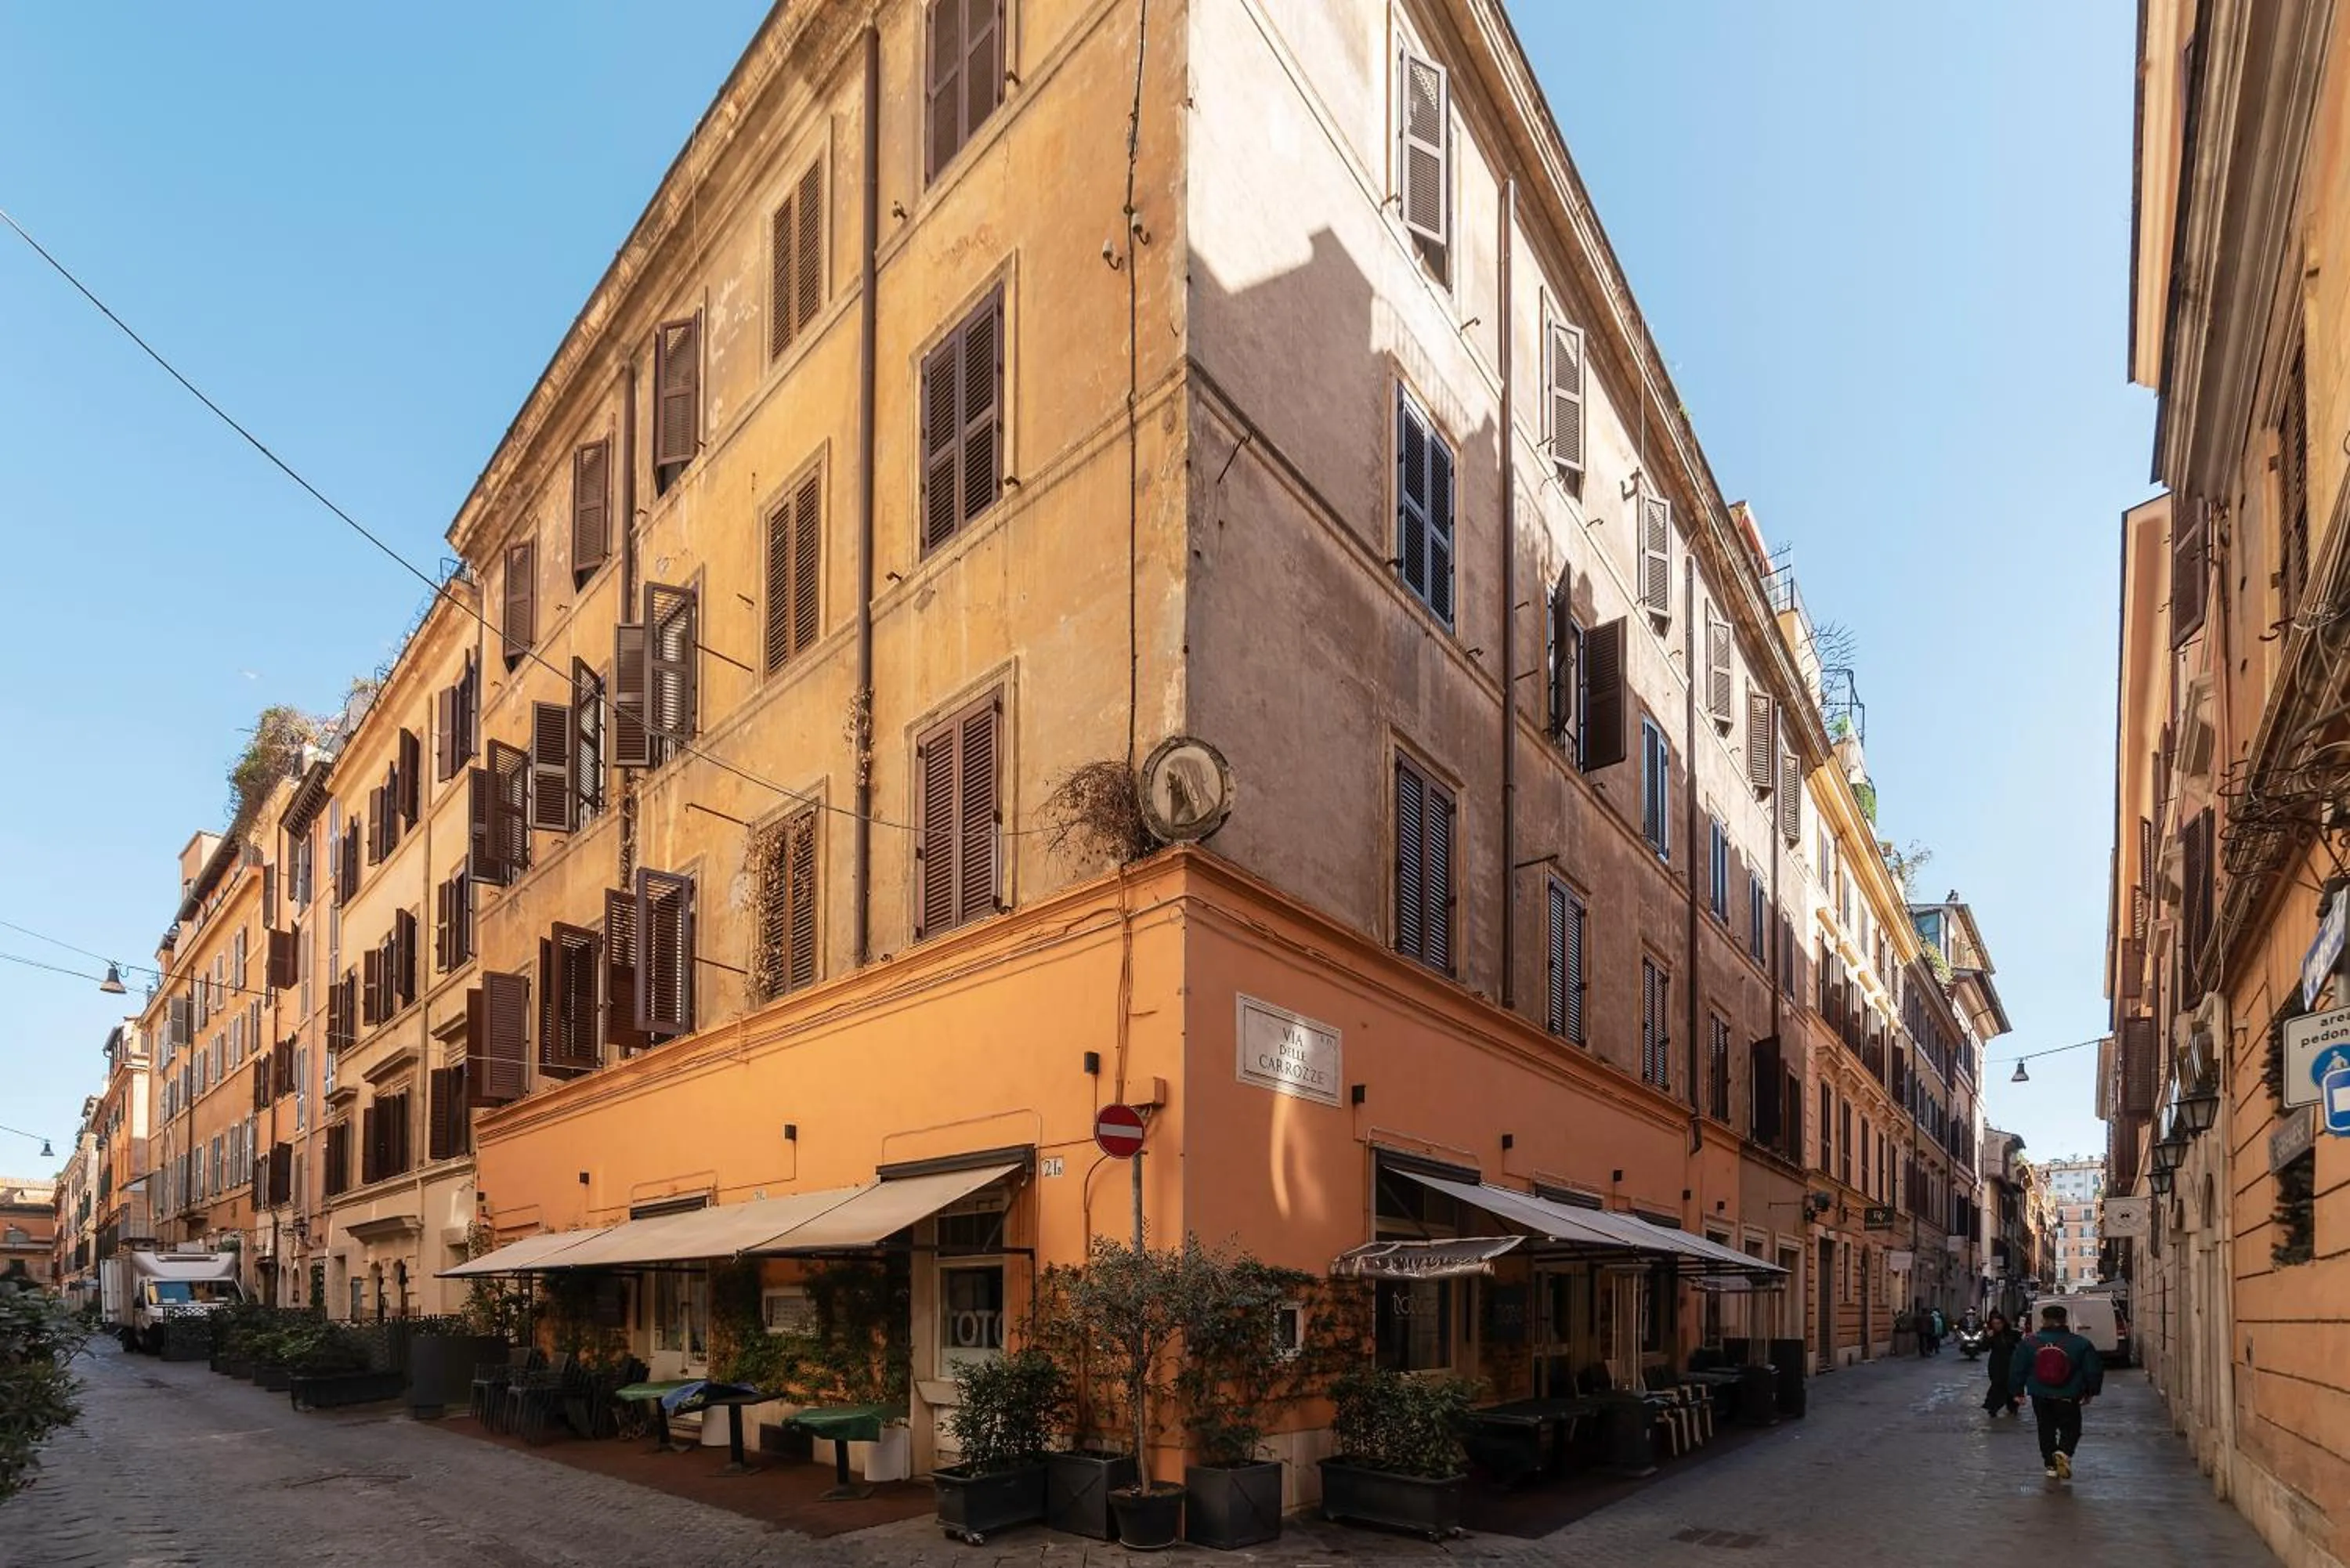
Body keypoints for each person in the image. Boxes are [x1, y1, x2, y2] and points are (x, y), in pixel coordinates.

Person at [2010, 1302, 2104, 1480]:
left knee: (2045, 1428)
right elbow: (2093, 1370)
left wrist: (2017, 1392)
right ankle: (2064, 1452)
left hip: (2039, 1393)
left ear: (2043, 1320)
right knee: (2071, 1428)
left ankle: (2050, 1465)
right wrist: (2091, 1391)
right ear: (2065, 1320)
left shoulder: (2029, 1343)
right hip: (2068, 1393)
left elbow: (2017, 1369)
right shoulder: (2080, 1343)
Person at [1979, 1311, 2023, 1417]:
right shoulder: (1991, 1335)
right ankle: (1993, 1407)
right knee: (1997, 1385)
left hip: (2011, 1363)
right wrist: (1987, 1338)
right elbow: (1984, 1348)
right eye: (1994, 1324)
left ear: (2003, 1323)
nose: (1997, 1326)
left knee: (2012, 1385)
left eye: (1999, 1323)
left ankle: (2012, 1406)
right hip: (1997, 1364)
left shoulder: (2013, 1334)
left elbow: (2021, 1346)